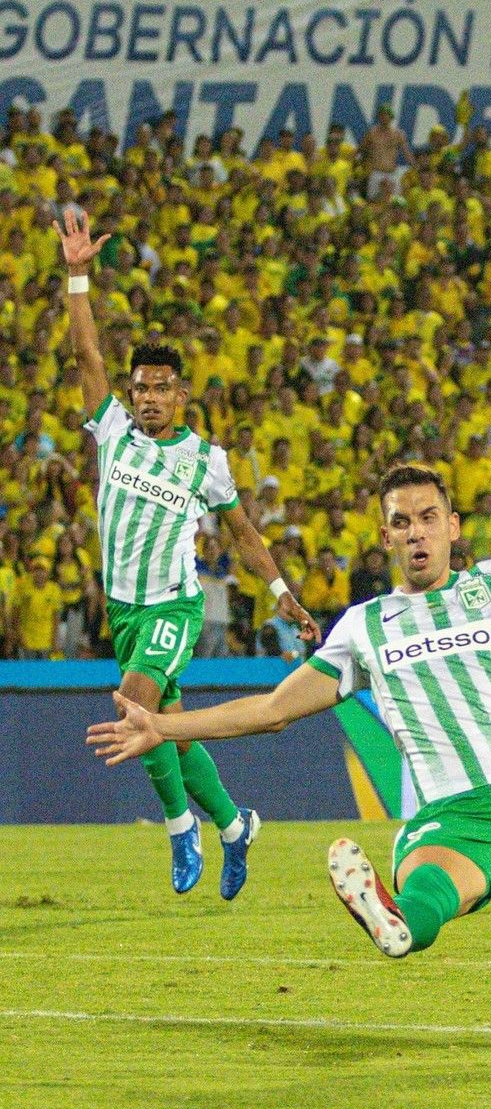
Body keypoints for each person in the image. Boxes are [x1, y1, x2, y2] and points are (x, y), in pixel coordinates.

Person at [90, 465, 491, 1047]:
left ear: (453, 526)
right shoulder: (365, 626)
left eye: (428, 517)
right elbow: (275, 708)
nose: (417, 532)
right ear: (386, 536)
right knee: (425, 905)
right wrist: (163, 726)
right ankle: (392, 917)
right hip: (456, 818)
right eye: (402, 522)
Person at [56, 208, 320, 899]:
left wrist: (282, 594)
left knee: (137, 711)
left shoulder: (206, 460)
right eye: (139, 386)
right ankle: (235, 827)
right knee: (167, 729)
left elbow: (243, 535)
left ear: (181, 395)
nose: (147, 396)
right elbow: (87, 356)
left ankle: (181, 831)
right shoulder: (111, 430)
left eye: (160, 388)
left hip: (173, 602)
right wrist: (77, 277)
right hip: (124, 607)